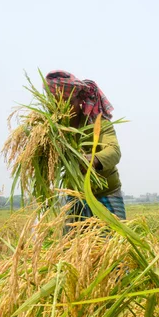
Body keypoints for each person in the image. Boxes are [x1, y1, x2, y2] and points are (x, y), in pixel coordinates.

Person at [45, 70, 126, 222]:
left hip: (106, 192)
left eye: (69, 103)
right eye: (57, 103)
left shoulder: (98, 123)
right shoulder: (51, 132)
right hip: (74, 195)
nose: (64, 110)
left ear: (79, 100)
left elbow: (114, 151)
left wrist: (92, 160)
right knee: (71, 245)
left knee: (114, 243)